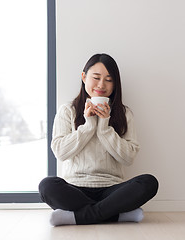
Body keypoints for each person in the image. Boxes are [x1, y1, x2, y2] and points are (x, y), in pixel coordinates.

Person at [39, 53, 158, 226]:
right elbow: (60, 152)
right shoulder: (68, 110)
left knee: (149, 182)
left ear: (115, 83)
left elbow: (128, 158)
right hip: (75, 188)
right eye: (96, 78)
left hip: (111, 189)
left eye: (109, 80)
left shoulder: (124, 114)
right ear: (84, 77)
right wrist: (88, 126)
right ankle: (116, 215)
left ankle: (77, 217)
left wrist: (104, 128)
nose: (101, 85)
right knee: (47, 185)